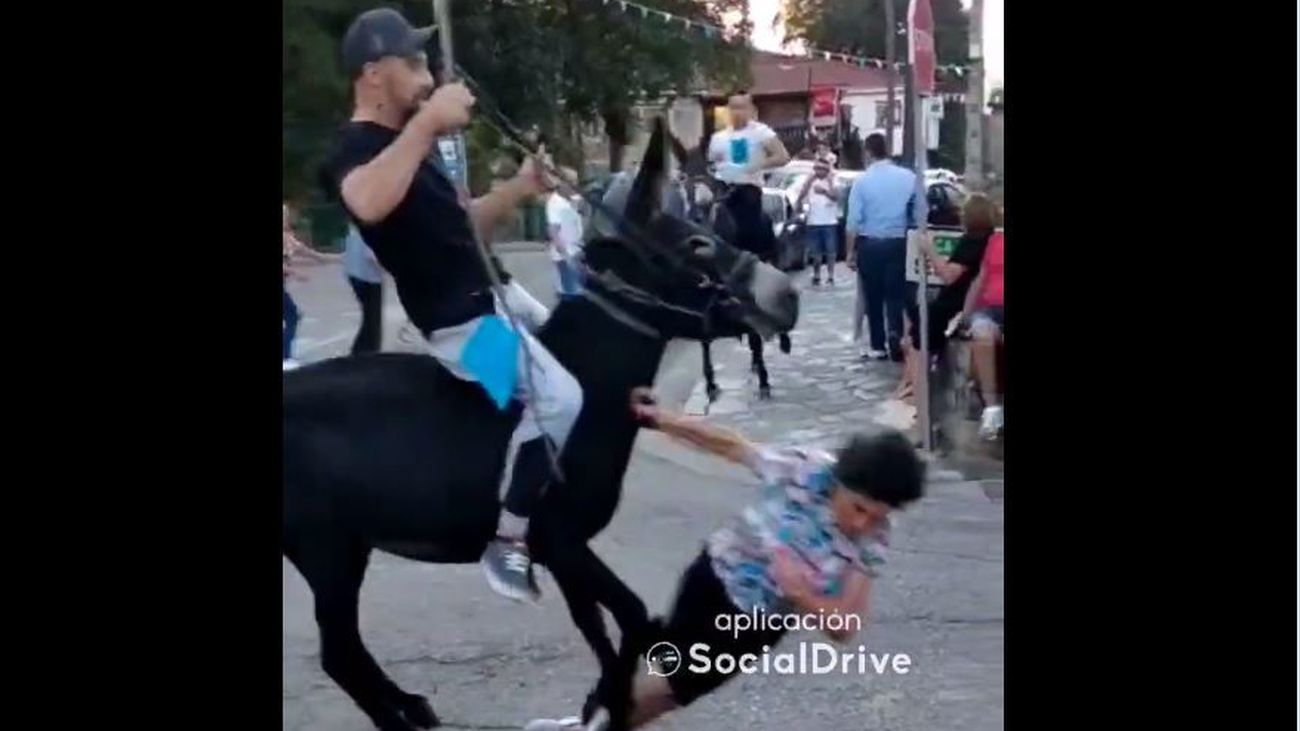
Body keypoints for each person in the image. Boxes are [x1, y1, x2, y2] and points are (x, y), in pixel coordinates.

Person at [318, 7, 579, 603]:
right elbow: (367, 203)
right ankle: (508, 540)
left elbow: (467, 227)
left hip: (496, 294)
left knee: (582, 343)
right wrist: (427, 125)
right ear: (374, 72)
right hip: (463, 328)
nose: (426, 74)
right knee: (559, 399)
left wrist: (519, 187)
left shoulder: (412, 148)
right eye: (412, 62)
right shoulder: (357, 151)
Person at [525, 389, 926, 731]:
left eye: (878, 517)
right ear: (840, 481)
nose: (863, 524)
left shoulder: (875, 540)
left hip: (750, 625)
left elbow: (846, 626)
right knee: (661, 671)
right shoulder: (806, 470)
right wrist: (658, 419)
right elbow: (730, 445)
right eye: (858, 508)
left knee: (667, 688)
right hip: (710, 577)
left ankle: (590, 721)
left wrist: (801, 595)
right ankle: (591, 720)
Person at [893, 194, 1000, 402]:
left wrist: (929, 250)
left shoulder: (973, 241)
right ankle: (910, 384)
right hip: (960, 301)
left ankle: (917, 390)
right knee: (913, 320)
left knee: (917, 337)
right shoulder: (991, 240)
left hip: (954, 303)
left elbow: (949, 275)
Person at [845, 133, 926, 362]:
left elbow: (853, 221)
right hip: (900, 242)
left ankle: (878, 345)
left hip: (870, 243)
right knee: (896, 294)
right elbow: (921, 212)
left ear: (868, 152)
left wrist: (850, 252)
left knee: (873, 296)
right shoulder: (909, 177)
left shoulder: (861, 181)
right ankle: (896, 335)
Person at [706, 89, 791, 262]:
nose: (738, 112)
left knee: (750, 230)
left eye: (742, 107)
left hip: (747, 191)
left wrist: (756, 165)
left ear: (751, 109)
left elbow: (782, 156)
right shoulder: (719, 137)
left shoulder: (760, 132)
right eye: (734, 107)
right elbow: (711, 163)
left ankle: (761, 257)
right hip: (723, 190)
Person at [283, 203, 339, 370]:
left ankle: (285, 356)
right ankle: (285, 358)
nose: (287, 219)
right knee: (292, 315)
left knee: (292, 316)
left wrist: (339, 258)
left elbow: (312, 254)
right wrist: (294, 273)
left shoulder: (288, 239)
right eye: (285, 216)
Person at [961, 229, 1004, 440]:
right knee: (982, 337)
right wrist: (965, 313)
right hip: (990, 307)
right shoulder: (995, 240)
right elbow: (981, 277)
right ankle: (992, 408)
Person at [793, 158, 841, 286]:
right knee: (815, 252)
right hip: (813, 222)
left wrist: (825, 190)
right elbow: (800, 197)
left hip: (829, 222)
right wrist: (808, 183)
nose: (818, 171)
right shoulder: (810, 181)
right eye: (816, 168)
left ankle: (830, 275)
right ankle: (817, 274)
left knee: (830, 250)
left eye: (822, 169)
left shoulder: (833, 181)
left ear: (827, 170)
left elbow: (836, 197)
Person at [342, 224, 386, 355]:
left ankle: (361, 351)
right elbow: (372, 256)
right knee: (373, 320)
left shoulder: (356, 225)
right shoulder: (372, 226)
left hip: (354, 274)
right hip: (369, 277)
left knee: (369, 318)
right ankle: (366, 353)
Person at [546, 167, 584, 299]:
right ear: (561, 182)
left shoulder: (571, 199)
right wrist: (566, 255)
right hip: (565, 256)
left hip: (576, 252)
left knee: (580, 290)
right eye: (570, 181)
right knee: (571, 292)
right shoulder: (555, 203)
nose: (574, 184)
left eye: (576, 181)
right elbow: (553, 231)